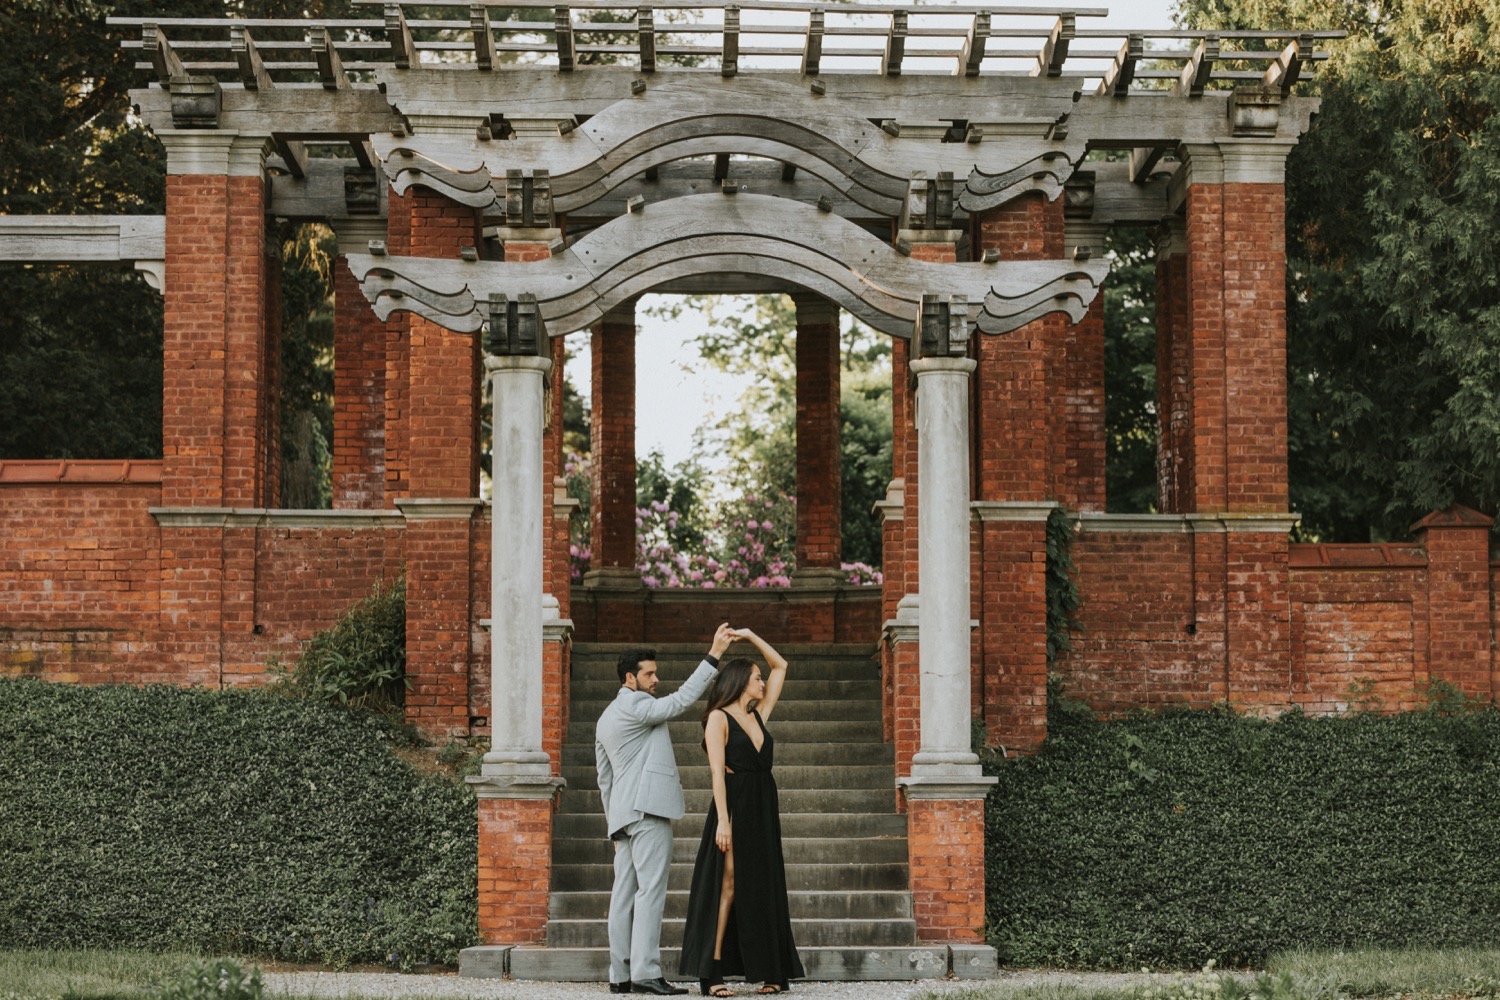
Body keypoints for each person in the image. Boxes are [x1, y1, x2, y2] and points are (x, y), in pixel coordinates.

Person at [597, 624, 734, 997]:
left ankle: (620, 975)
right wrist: (713, 656)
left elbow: (604, 779)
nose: (656, 679)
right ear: (630, 677)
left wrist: (614, 825)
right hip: (647, 811)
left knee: (624, 894)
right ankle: (646, 973)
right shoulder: (637, 704)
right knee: (650, 893)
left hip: (625, 816)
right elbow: (679, 702)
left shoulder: (606, 716)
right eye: (649, 673)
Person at [678, 628, 805, 996]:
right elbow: (717, 772)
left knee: (764, 882)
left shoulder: (759, 713)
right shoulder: (718, 718)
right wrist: (722, 820)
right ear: (740, 682)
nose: (762, 681)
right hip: (733, 804)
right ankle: (712, 972)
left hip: (763, 803)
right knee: (729, 884)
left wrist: (750, 636)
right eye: (756, 677)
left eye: (760, 678)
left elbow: (780, 665)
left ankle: (771, 970)